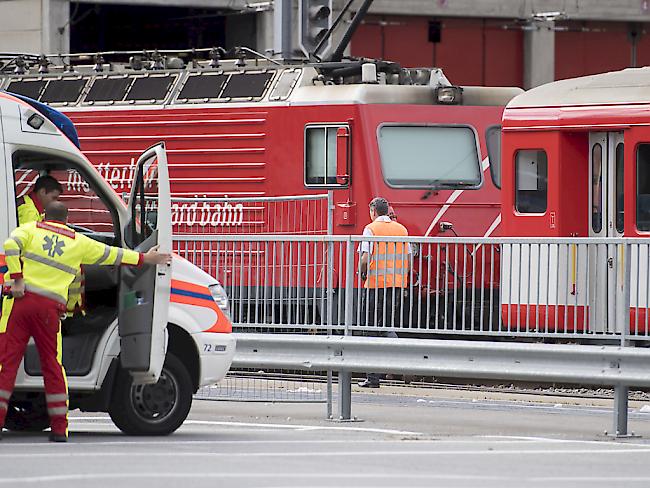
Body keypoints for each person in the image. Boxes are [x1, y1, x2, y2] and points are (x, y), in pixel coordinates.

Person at [0, 201, 171, 442]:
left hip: (21, 305)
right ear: (66, 220)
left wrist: (17, 278)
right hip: (49, 311)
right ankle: (59, 430)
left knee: (7, 365)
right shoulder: (78, 242)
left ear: (45, 216)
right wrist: (147, 258)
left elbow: (10, 245)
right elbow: (115, 255)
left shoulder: (30, 229)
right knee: (52, 366)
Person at [357, 197, 410, 388]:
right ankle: (399, 363)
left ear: (373, 211)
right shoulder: (402, 230)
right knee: (386, 326)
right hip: (395, 285)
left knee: (370, 330)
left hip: (374, 285)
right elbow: (409, 258)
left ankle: (373, 377)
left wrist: (362, 273)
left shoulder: (371, 229)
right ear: (387, 211)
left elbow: (365, 257)